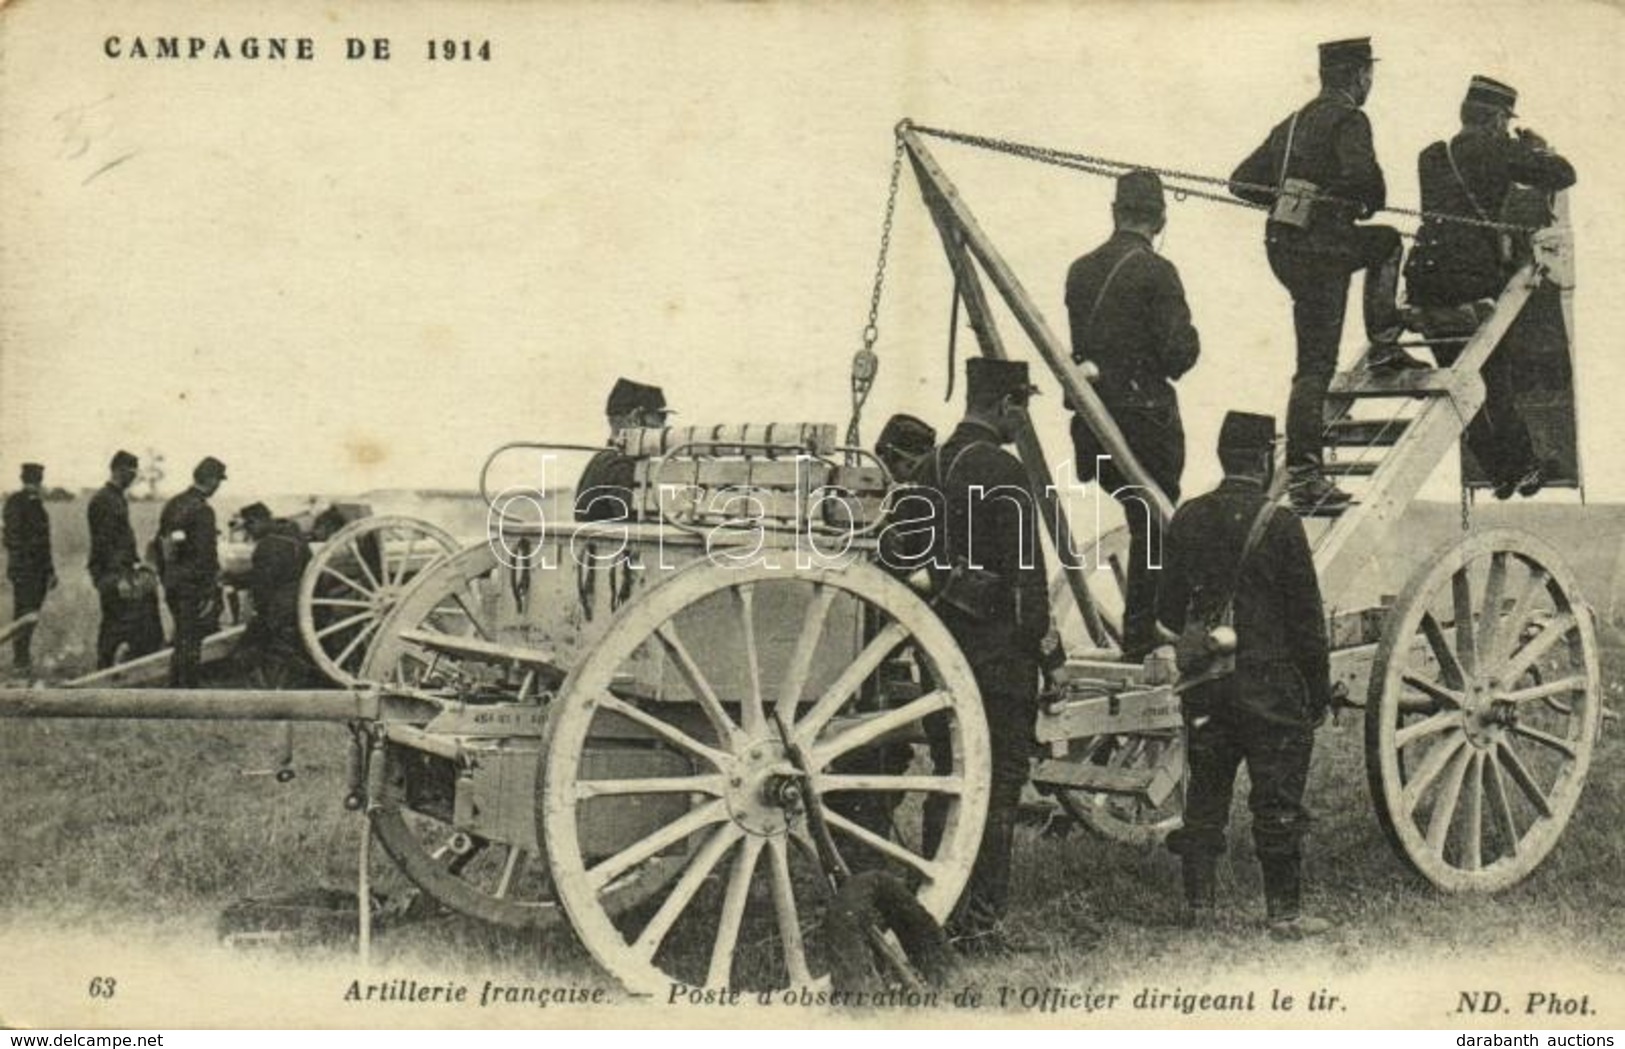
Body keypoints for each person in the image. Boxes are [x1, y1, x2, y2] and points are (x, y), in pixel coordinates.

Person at [1157, 412, 1333, 939]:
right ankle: (1284, 914)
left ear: (1222, 455)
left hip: (1207, 684)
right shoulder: (1280, 524)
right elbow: (1307, 621)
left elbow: (1167, 611)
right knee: (1277, 799)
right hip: (1270, 688)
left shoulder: (1188, 517)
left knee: (1205, 794)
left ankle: (1199, 907)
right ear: (1263, 460)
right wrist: (1317, 693)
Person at [1229, 37, 1424, 511]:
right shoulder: (1349, 118)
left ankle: (1380, 347)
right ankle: (1308, 473)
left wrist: (1294, 197)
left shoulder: (1291, 122)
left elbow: (1241, 181)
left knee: (1311, 362)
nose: (1369, 83)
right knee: (1384, 243)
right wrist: (1343, 201)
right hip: (1323, 251)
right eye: (1368, 75)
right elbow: (1367, 184)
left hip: (1284, 248)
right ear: (1359, 76)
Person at [918, 357, 1052, 951]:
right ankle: (981, 924)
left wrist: (948, 585)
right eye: (1021, 407)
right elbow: (1027, 576)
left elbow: (902, 555)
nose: (1021, 420)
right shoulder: (1004, 469)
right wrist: (1046, 652)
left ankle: (934, 908)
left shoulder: (926, 466)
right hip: (999, 659)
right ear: (1006, 405)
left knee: (951, 780)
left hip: (939, 653)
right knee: (999, 788)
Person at [1405, 75, 1577, 500]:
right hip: (1469, 282)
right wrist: (1537, 147)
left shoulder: (1432, 156)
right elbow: (1564, 174)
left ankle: (1505, 470)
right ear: (1499, 118)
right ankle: (1519, 467)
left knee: (1458, 382)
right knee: (1494, 378)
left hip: (1425, 282)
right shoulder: (1500, 148)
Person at [1066, 168, 1200, 660]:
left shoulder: (1079, 271)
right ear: (1160, 219)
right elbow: (1178, 356)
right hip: (1145, 426)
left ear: (1114, 212)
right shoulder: (1157, 272)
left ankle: (1145, 628)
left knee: (1140, 515)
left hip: (1092, 430)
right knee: (1156, 520)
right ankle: (1147, 629)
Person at [88, 450, 164, 668]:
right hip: (112, 573)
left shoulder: (115, 498)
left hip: (120, 570)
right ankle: (105, 668)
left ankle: (118, 664)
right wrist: (121, 576)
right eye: (131, 472)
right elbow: (105, 544)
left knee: (125, 620)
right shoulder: (104, 500)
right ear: (118, 470)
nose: (133, 477)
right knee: (116, 622)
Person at [157, 456, 227, 687]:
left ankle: (177, 687)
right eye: (218, 480)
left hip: (173, 583)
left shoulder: (173, 504)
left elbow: (162, 545)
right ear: (210, 480)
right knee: (192, 642)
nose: (218, 486)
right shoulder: (203, 511)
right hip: (193, 587)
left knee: (181, 638)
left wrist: (167, 577)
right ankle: (188, 691)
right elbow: (206, 556)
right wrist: (209, 590)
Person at [575, 378, 674, 522]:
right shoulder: (622, 465)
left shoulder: (604, 459)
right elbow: (635, 524)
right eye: (660, 418)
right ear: (636, 418)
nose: (663, 427)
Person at [237, 502, 312, 688]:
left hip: (280, 611)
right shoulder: (294, 536)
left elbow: (263, 585)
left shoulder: (268, 545)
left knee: (245, 650)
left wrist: (235, 581)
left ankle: (267, 686)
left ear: (258, 521)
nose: (249, 532)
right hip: (302, 604)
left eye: (249, 526)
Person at [2, 462, 56, 676]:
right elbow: (11, 538)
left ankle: (23, 659)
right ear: (25, 480)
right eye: (33, 480)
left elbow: (45, 542)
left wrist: (50, 570)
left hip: (39, 572)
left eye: (38, 480)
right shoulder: (16, 503)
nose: (36, 484)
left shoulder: (37, 505)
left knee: (32, 614)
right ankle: (20, 660)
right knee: (24, 615)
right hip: (25, 572)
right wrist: (24, 566)